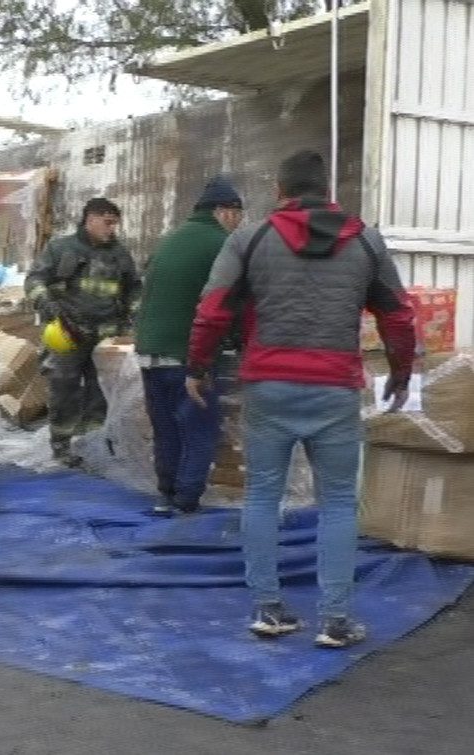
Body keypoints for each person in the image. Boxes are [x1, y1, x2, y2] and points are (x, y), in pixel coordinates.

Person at [186, 150, 416, 648]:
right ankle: (335, 620)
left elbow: (212, 310)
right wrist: (401, 371)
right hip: (334, 388)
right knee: (337, 503)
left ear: (279, 189)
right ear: (327, 188)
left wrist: (198, 366)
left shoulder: (249, 240)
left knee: (263, 496)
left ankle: (268, 609)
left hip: (269, 386)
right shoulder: (365, 240)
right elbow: (398, 316)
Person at [134, 177, 245, 515]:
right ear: (224, 212)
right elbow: (232, 302)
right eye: (239, 215)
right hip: (186, 354)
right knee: (199, 430)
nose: (239, 223)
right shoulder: (222, 244)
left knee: (167, 430)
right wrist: (242, 343)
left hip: (150, 354)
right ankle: (187, 502)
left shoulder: (169, 240)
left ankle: (166, 496)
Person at [25, 198, 140, 466]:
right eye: (107, 222)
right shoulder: (61, 248)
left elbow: (134, 287)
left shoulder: (120, 254)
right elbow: (34, 279)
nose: (111, 229)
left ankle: (93, 446)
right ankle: (62, 447)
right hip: (67, 334)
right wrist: (46, 302)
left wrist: (136, 311)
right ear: (90, 219)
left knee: (100, 395)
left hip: (106, 337)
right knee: (63, 390)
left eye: (115, 223)